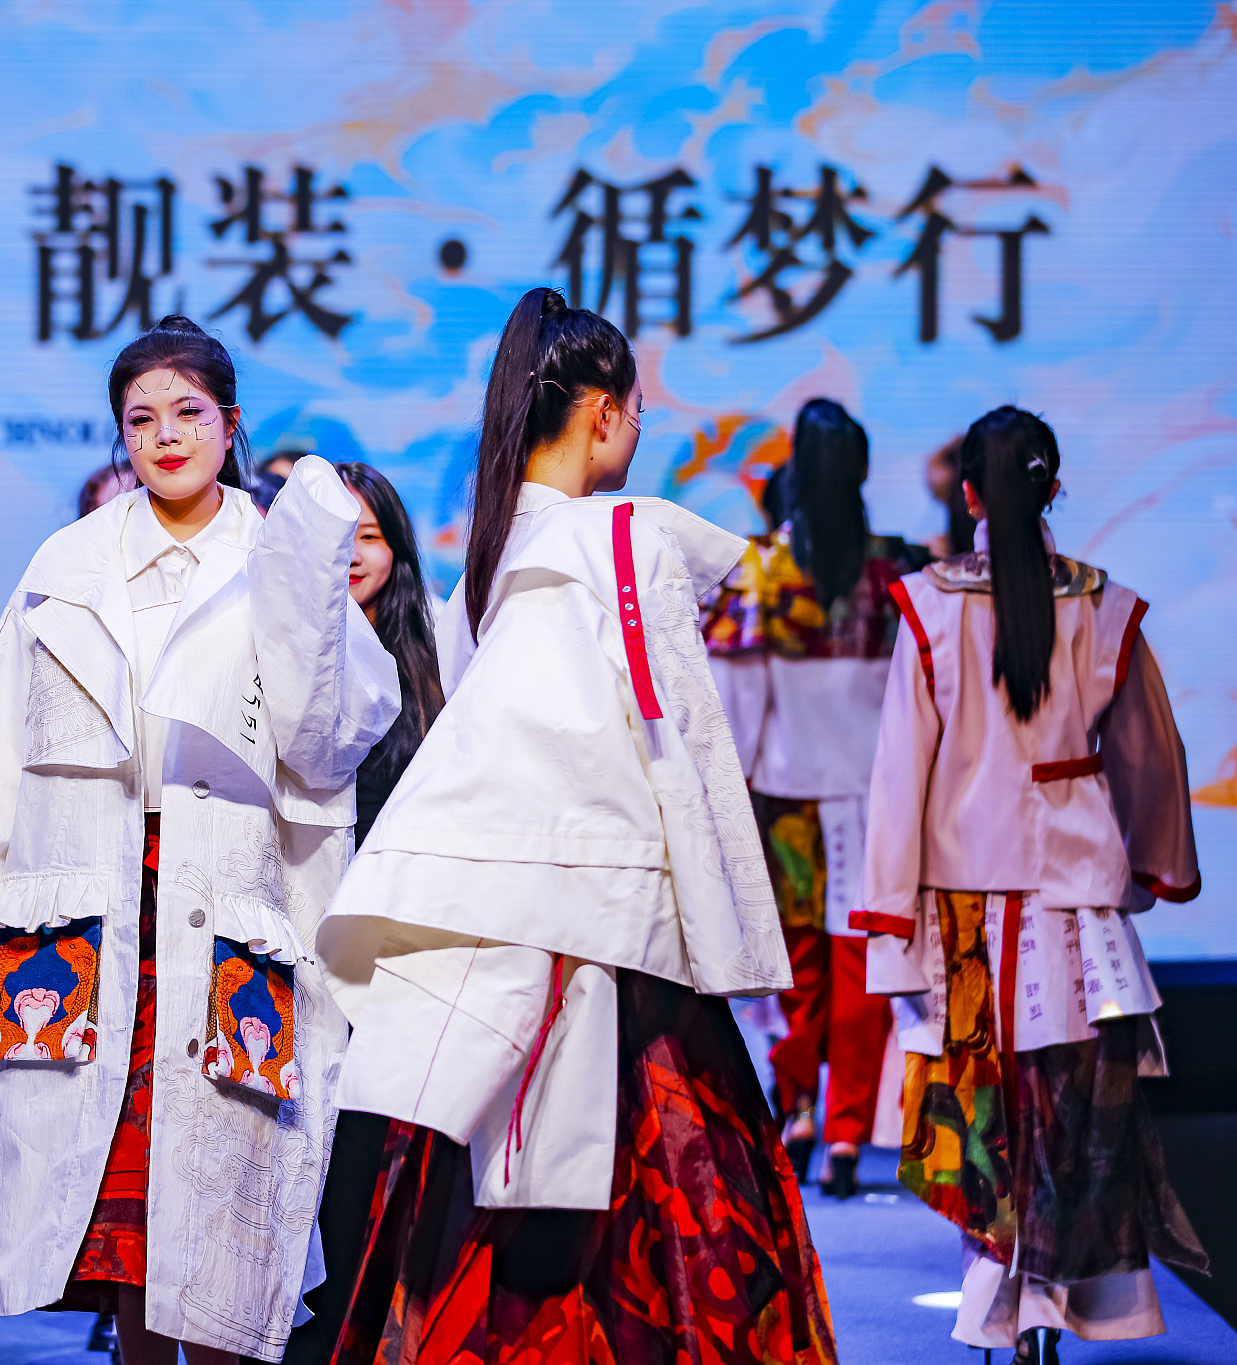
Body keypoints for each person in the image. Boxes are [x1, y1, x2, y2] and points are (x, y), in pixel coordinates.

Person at [317, 288, 836, 1364]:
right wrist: (718, 931)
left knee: (482, 1232)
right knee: (669, 1242)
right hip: (614, 939)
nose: (638, 435)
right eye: (636, 413)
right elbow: (674, 752)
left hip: (503, 941)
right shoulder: (623, 543)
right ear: (600, 412)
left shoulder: (488, 561)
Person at [0, 315, 400, 1364]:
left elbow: (337, 740)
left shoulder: (276, 558)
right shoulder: (68, 564)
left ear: (230, 426)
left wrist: (313, 556)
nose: (165, 436)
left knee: (227, 1224)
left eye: (188, 412)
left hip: (230, 915)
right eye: (139, 419)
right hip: (88, 919)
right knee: (123, 1237)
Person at [860, 406, 1205, 1360]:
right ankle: (1048, 1304)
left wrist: (892, 917)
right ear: (1054, 487)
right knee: (1071, 1115)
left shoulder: (928, 606)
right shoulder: (1103, 604)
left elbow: (900, 774)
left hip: (968, 911)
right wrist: (1153, 864)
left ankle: (1004, 1301)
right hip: (1077, 906)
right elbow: (1151, 761)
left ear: (969, 492)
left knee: (987, 1116)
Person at [702, 399, 933, 1198]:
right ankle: (843, 1133)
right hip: (878, 799)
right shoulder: (898, 569)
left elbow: (738, 707)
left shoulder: (760, 571)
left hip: (787, 797)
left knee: (797, 968)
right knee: (864, 968)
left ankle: (797, 1107)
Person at [280, 462, 445, 1365]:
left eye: (369, 536)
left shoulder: (431, 651)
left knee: (373, 1141)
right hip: (293, 931)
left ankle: (359, 1319)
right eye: (334, 534)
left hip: (393, 947)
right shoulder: (273, 644)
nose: (350, 553)